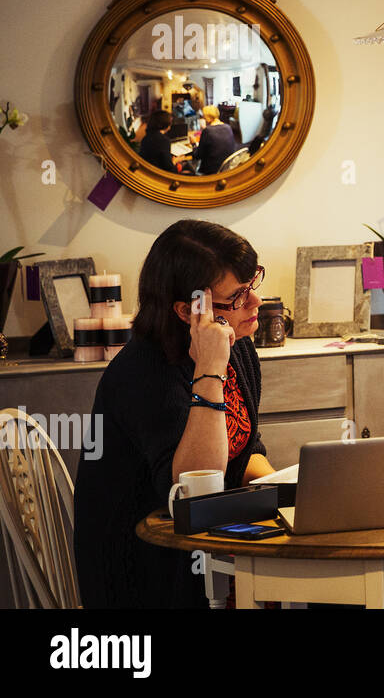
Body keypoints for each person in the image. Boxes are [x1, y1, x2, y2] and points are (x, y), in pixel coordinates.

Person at [74, 220, 273, 608]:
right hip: (149, 570)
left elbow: (247, 452)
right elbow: (191, 488)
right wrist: (210, 373)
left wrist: (302, 492)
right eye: (237, 297)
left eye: (253, 285)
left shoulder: (240, 348)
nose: (255, 303)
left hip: (206, 545)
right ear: (188, 310)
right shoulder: (143, 373)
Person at [191, 104, 237, 174]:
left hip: (212, 171)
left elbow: (197, 156)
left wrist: (193, 143)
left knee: (188, 165)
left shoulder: (207, 131)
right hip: (227, 167)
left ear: (207, 117)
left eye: (203, 116)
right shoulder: (228, 127)